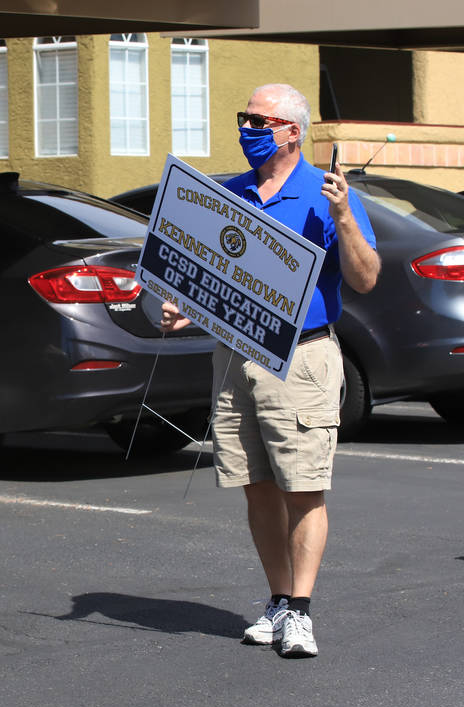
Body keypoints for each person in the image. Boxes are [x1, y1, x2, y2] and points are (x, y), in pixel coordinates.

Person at [157, 83, 380, 658]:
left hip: (302, 358)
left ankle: (301, 612)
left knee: (303, 487)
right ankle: (278, 599)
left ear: (292, 132)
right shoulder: (227, 196)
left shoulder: (325, 194)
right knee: (256, 487)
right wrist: (183, 306)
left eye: (261, 120)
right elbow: (202, 276)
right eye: (244, 117)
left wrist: (344, 218)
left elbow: (365, 278)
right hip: (235, 357)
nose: (248, 128)